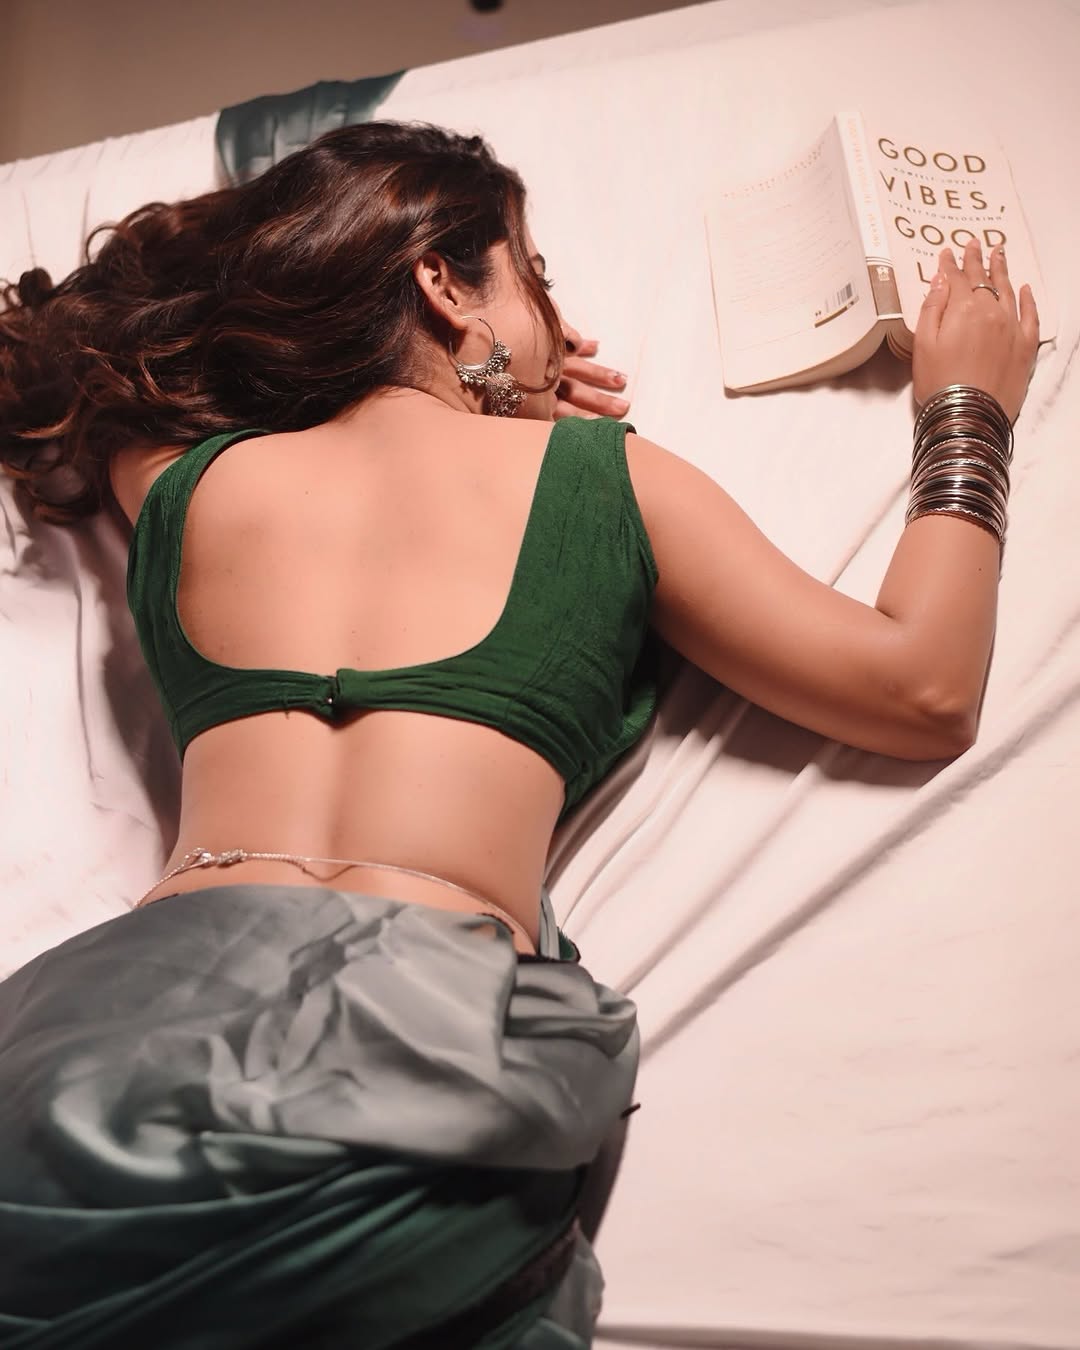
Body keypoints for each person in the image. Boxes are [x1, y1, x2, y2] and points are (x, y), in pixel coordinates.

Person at [0, 120, 1038, 1348]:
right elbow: (921, 687)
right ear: (443, 286)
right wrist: (968, 405)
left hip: (93, 1049)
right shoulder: (611, 482)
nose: (563, 321)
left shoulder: (181, 480)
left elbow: (81, 351)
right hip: (404, 1057)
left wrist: (499, 373)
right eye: (534, 277)